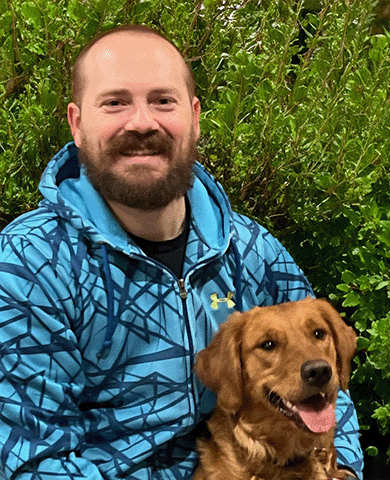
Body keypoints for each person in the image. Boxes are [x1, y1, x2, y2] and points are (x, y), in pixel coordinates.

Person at [0, 25, 363, 480]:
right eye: (114, 102)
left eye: (163, 101)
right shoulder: (30, 264)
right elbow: (34, 462)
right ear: (76, 123)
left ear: (194, 117)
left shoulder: (251, 249)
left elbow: (324, 385)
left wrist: (342, 470)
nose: (142, 122)